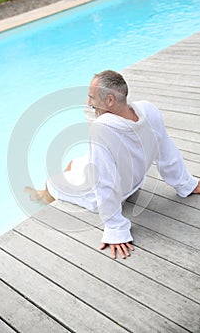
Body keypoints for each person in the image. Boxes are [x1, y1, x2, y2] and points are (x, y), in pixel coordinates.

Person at [25, 70, 200, 259]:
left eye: (92, 98)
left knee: (52, 182)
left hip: (95, 194)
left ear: (109, 100)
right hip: (133, 183)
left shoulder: (102, 129)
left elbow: (103, 183)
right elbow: (166, 150)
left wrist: (115, 228)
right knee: (74, 163)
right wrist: (185, 183)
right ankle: (56, 183)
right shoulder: (148, 111)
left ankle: (42, 196)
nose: (88, 103)